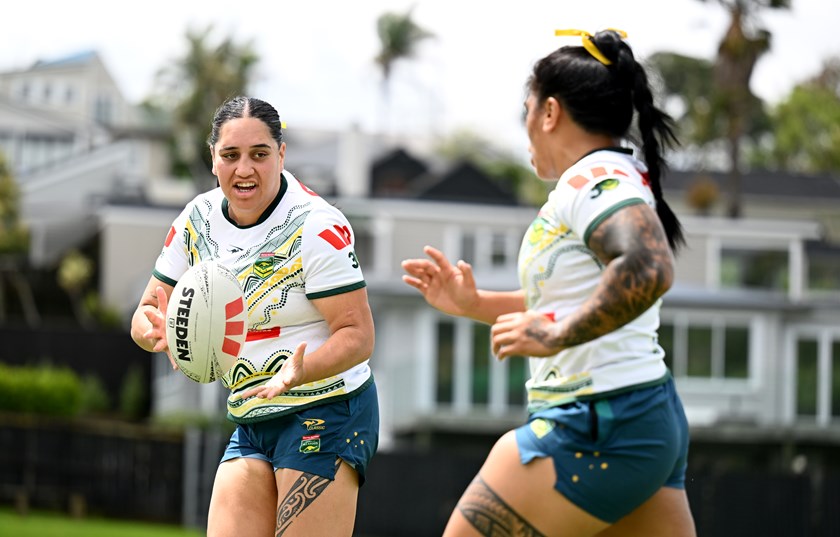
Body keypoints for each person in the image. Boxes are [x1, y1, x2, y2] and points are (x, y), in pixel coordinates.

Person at [402, 29, 696, 537]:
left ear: (551, 113)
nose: (526, 127)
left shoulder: (592, 181)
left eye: (527, 110)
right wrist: (473, 302)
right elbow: (573, 299)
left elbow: (648, 266)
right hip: (640, 417)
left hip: (597, 422)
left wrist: (558, 335)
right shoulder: (612, 175)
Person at [130, 95, 378, 537]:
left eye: (259, 155)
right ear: (213, 159)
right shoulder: (197, 220)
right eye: (231, 155)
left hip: (326, 405)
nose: (244, 169)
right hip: (252, 412)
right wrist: (157, 328)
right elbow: (147, 310)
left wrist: (301, 372)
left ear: (281, 154)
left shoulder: (315, 225)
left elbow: (357, 335)